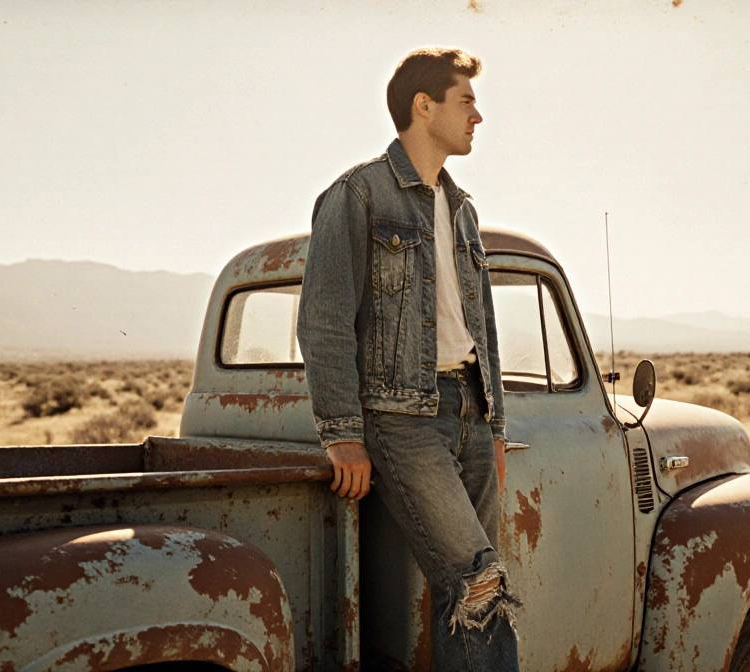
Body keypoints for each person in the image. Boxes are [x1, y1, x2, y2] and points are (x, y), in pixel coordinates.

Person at [296, 47, 520, 671]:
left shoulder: (463, 208)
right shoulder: (358, 195)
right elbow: (324, 321)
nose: (479, 116)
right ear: (424, 106)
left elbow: (484, 327)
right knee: (478, 585)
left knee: (474, 593)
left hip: (470, 411)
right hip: (403, 419)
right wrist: (343, 434)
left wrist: (496, 425)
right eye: (467, 100)